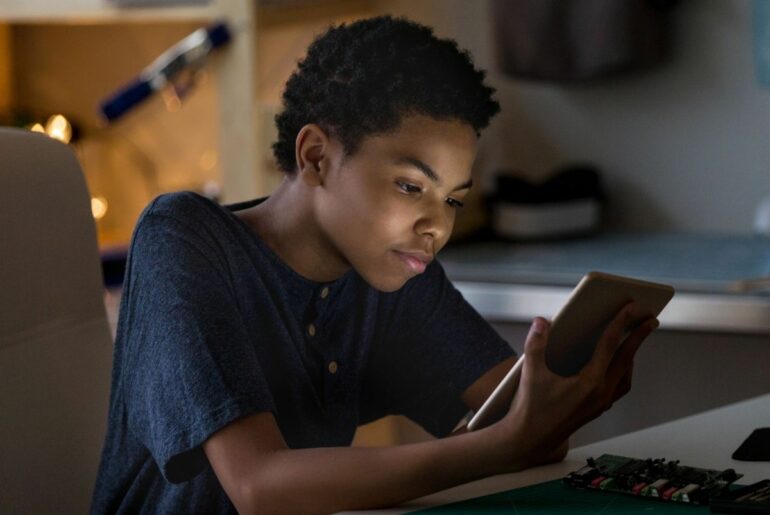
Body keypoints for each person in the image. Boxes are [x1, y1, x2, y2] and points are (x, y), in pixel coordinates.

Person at [90, 15, 659, 514]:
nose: (437, 225)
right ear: (316, 157)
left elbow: (502, 420)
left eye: (453, 199)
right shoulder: (184, 239)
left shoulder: (393, 272)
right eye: (412, 186)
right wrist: (501, 445)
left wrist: (555, 410)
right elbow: (260, 488)